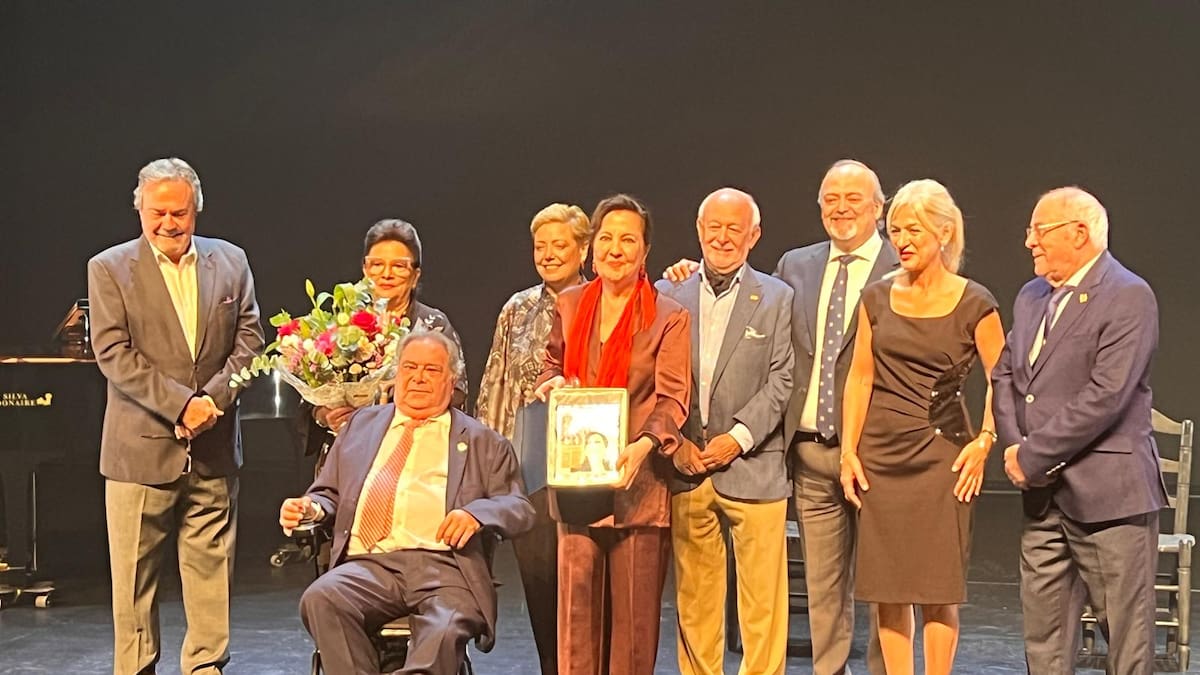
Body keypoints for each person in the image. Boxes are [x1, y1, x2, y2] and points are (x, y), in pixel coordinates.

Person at [664, 159, 895, 674]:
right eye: (830, 198)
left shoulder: (903, 266)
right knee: (821, 584)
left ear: (879, 208)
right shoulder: (795, 267)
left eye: (853, 198)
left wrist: (740, 436)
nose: (840, 207)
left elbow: (781, 376)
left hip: (873, 452)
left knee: (884, 584)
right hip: (803, 454)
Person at [87, 157, 265, 674]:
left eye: (180, 212)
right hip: (139, 453)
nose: (169, 223)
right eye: (158, 211)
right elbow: (113, 353)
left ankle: (206, 668)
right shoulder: (108, 268)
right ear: (139, 208)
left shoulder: (231, 261)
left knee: (212, 577)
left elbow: (250, 342)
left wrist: (212, 400)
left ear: (197, 209)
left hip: (213, 449)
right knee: (135, 585)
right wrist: (181, 405)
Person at [281, 330, 535, 675]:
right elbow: (328, 494)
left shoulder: (482, 442)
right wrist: (311, 507)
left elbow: (519, 508)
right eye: (409, 367)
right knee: (321, 599)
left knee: (444, 630)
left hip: (446, 569)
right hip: (369, 566)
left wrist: (476, 514)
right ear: (396, 373)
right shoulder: (360, 426)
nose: (417, 378)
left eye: (431, 370)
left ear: (452, 380)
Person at [992, 187, 1167, 674]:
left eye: (1039, 230)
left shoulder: (1129, 295)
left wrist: (1031, 456)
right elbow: (1006, 376)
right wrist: (1014, 447)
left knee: (1126, 640)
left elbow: (1106, 396)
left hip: (1110, 499)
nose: (1029, 241)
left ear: (1080, 233)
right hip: (1042, 498)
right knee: (1044, 641)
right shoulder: (1031, 297)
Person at [839, 179, 1004, 675]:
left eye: (913, 229)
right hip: (880, 460)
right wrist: (849, 450)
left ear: (945, 232)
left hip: (943, 459)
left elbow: (1007, 381)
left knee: (936, 588)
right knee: (887, 589)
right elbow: (860, 376)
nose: (902, 240)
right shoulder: (876, 297)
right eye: (895, 231)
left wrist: (986, 441)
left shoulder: (976, 302)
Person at [536, 194, 691, 675]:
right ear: (593, 247)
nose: (615, 249)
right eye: (606, 238)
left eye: (628, 239)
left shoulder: (668, 315)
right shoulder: (568, 304)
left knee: (633, 631)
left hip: (637, 486)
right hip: (579, 479)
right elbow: (550, 366)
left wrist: (643, 446)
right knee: (576, 624)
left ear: (646, 252)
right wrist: (554, 385)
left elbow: (672, 399)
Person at [656, 187, 795, 675]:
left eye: (735, 228)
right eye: (714, 226)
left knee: (763, 609)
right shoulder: (667, 293)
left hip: (754, 467)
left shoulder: (778, 297)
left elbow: (783, 380)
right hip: (687, 466)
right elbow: (656, 380)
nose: (723, 236)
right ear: (699, 230)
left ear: (754, 235)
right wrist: (678, 446)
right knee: (695, 604)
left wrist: (735, 438)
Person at [475, 202, 590, 675]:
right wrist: (489, 468)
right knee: (541, 585)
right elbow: (495, 387)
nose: (548, 255)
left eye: (559, 245)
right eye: (540, 246)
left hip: (587, 465)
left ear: (583, 248)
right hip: (530, 470)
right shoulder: (517, 309)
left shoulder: (603, 303)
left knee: (583, 587)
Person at [310, 219, 469, 443]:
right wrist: (328, 416)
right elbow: (310, 398)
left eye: (398, 266)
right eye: (376, 264)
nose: (386, 274)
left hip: (415, 447)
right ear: (365, 270)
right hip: (346, 447)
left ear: (415, 276)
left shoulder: (433, 326)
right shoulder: (341, 324)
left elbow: (457, 392)